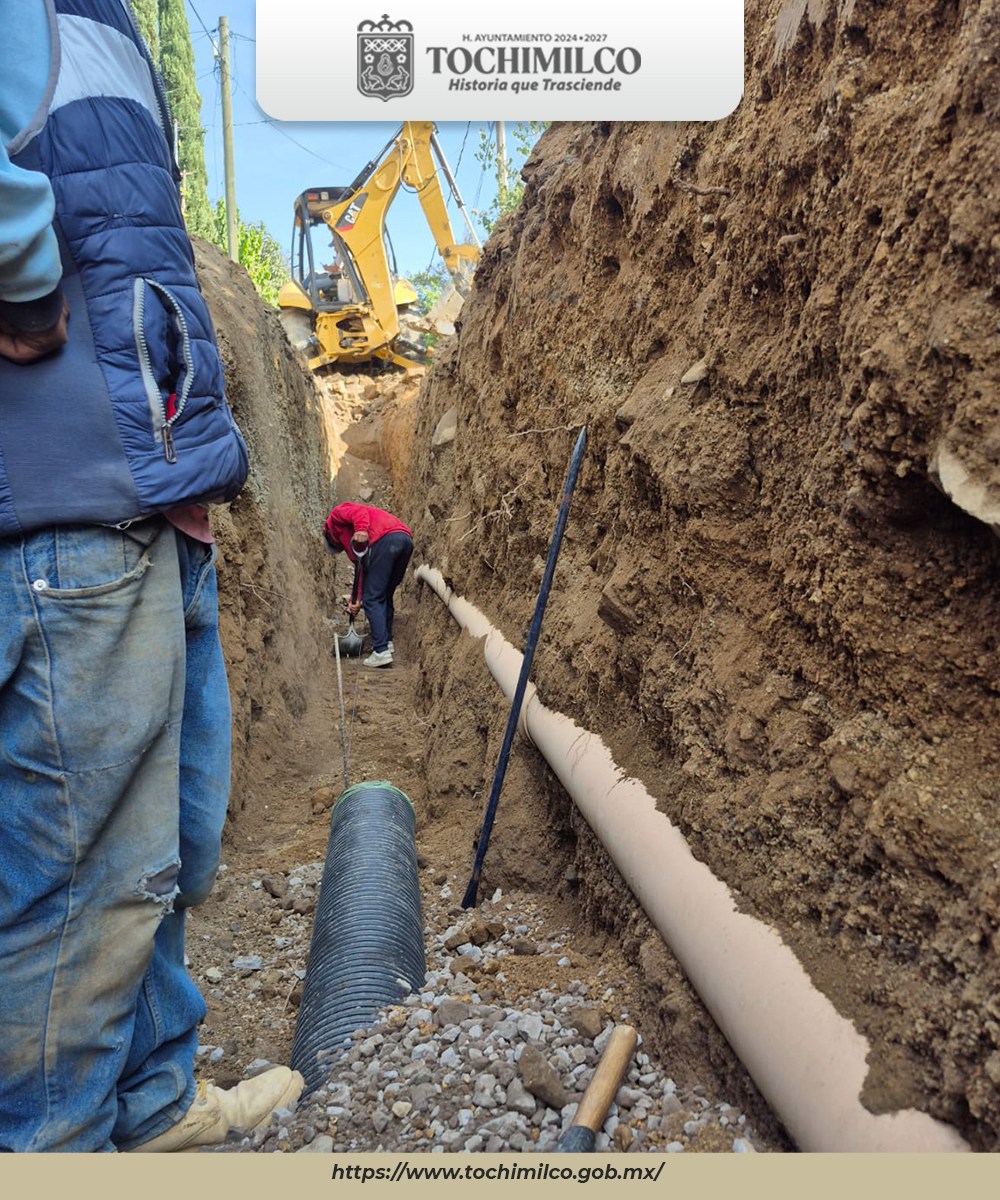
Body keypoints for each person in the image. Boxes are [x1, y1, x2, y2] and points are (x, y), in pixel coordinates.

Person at [0, 0, 303, 1151]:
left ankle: (153, 1105)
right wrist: (23, 272)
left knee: (163, 854)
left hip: (156, 495)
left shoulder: (103, 21)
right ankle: (53, 1148)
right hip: (68, 499)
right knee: (84, 888)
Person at [323, 501, 414, 667]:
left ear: (329, 536)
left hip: (385, 539)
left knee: (372, 599)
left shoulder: (336, 515)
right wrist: (356, 598)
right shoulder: (355, 545)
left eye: (337, 547)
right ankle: (386, 641)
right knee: (384, 594)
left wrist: (361, 529)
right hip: (404, 540)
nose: (340, 548)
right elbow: (364, 572)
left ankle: (380, 651)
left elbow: (359, 512)